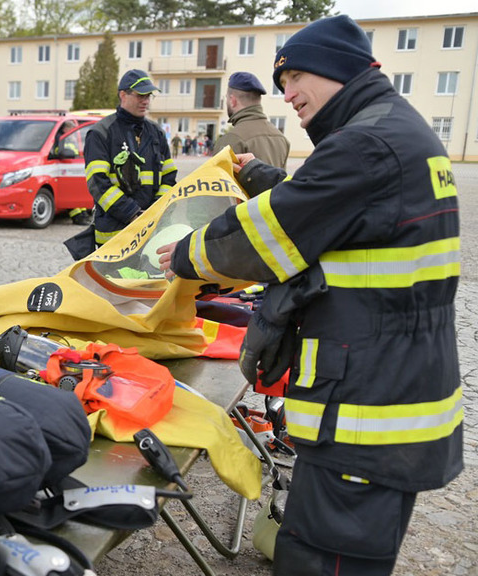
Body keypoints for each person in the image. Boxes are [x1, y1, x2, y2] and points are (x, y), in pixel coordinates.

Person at [158, 15, 461, 575]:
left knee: (321, 562)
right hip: (390, 399)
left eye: (296, 77)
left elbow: (269, 236)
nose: (288, 94)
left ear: (339, 69)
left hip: (366, 418)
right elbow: (339, 212)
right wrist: (265, 179)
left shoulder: (366, 144)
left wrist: (183, 255)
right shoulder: (392, 132)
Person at [84, 69, 177, 247]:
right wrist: (132, 213)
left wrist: (155, 211)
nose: (146, 101)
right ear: (123, 95)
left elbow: (169, 177)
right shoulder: (101, 132)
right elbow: (97, 183)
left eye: (149, 95)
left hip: (152, 230)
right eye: (140, 95)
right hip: (114, 234)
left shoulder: (156, 132)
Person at [213, 71, 290, 169]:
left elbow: (217, 180)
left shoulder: (232, 138)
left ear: (232, 101)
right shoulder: (281, 138)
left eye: (227, 98)